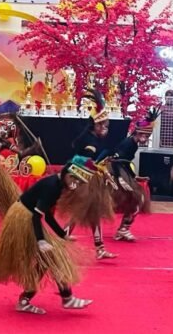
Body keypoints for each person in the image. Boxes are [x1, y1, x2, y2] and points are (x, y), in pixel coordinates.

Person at [0, 159, 95, 315]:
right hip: (24, 219)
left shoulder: (58, 186)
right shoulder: (52, 187)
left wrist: (62, 235)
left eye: (78, 181)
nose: (75, 183)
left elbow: (48, 216)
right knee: (51, 257)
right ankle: (64, 298)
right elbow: (36, 217)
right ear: (66, 174)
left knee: (48, 260)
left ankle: (32, 299)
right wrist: (41, 241)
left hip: (26, 216)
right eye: (73, 178)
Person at [58, 89, 117, 260]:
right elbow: (82, 160)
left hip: (88, 178)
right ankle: (62, 240)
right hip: (82, 180)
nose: (105, 129)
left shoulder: (92, 138)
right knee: (82, 211)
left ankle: (99, 248)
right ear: (96, 125)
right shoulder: (90, 142)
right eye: (104, 126)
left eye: (107, 126)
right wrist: (101, 168)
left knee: (92, 212)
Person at [106, 109, 157, 242]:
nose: (146, 139)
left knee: (137, 199)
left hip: (122, 170)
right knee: (138, 198)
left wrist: (135, 177)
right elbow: (116, 161)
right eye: (145, 135)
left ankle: (123, 229)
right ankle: (123, 229)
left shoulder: (133, 144)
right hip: (115, 171)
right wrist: (120, 179)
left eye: (148, 136)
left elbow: (126, 162)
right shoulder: (128, 143)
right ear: (138, 133)